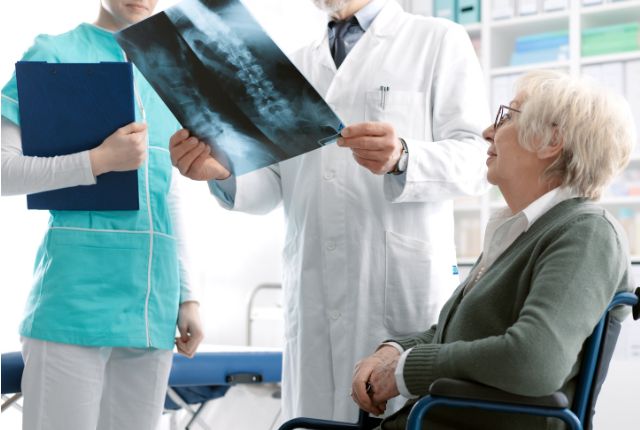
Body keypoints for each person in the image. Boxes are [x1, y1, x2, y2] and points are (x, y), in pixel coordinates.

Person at [169, 0, 489, 422]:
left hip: (397, 291)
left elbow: (478, 158)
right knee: (315, 418)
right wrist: (223, 172)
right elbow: (272, 186)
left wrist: (405, 156)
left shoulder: (436, 41)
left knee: (396, 418)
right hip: (313, 290)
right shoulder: (296, 63)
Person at [350, 69, 637, 430]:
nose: (488, 131)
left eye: (507, 116)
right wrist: (393, 352)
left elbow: (534, 360)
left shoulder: (586, 232)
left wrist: (408, 371)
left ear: (551, 141)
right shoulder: (518, 229)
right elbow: (457, 334)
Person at [0, 1, 203, 429]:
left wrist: (187, 294)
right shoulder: (54, 54)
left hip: (152, 302)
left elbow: (168, 191)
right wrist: (97, 161)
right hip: (74, 301)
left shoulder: (169, 68)